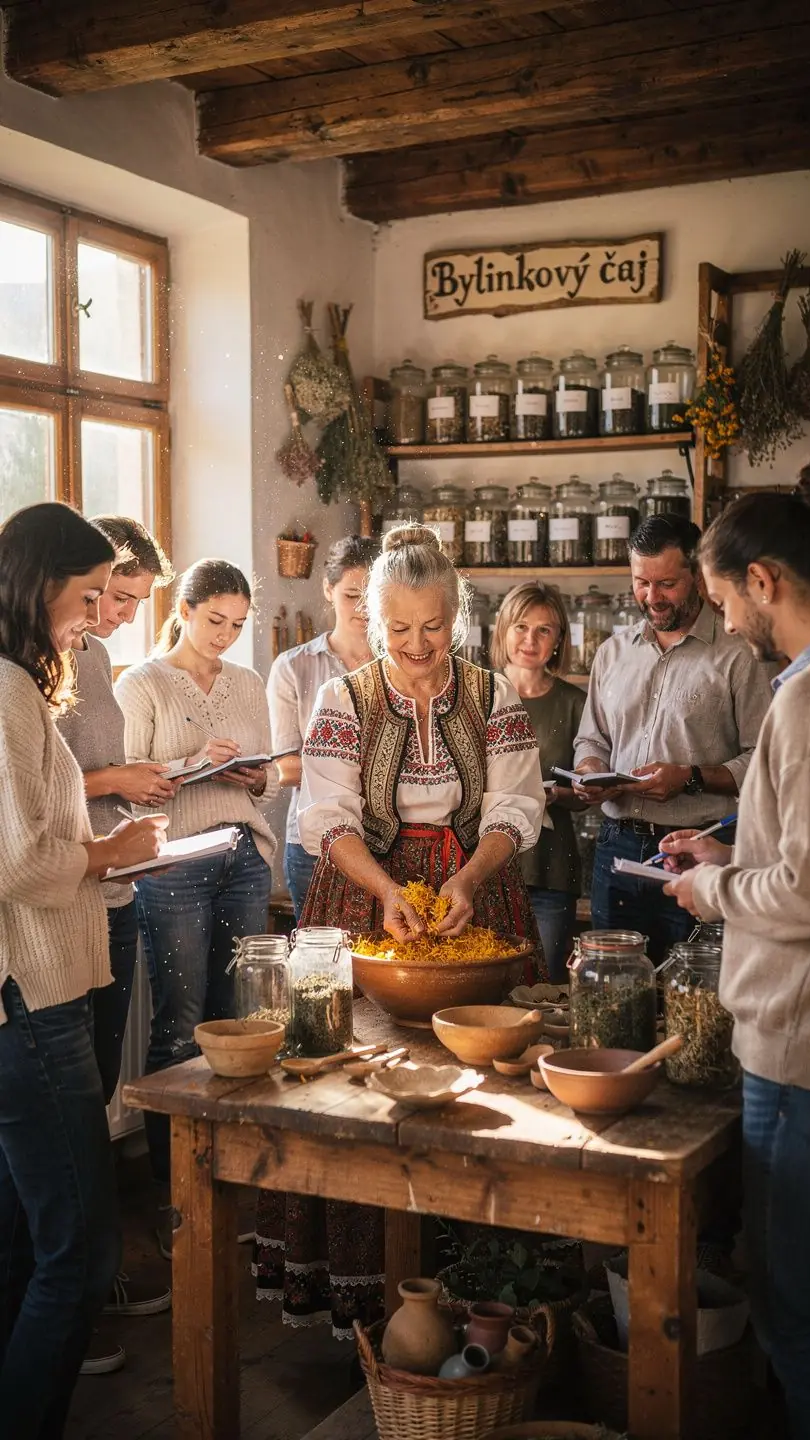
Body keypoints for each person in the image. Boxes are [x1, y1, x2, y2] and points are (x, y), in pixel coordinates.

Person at [254, 524, 548, 1335]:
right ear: (372, 621)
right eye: (398, 628)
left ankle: (485, 1283)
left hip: (474, 895)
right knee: (354, 1085)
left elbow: (514, 808)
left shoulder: (496, 696)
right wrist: (387, 889)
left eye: (433, 626)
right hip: (361, 900)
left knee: (481, 1082)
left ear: (456, 614)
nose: (417, 645)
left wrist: (463, 879)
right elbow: (328, 816)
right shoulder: (339, 699)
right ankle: (362, 1286)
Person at [0, 502, 166, 1440]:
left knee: (23, 1238)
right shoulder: (6, 691)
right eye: (89, 594)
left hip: (35, 991)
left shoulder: (20, 683)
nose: (95, 614)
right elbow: (20, 863)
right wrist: (111, 852)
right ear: (39, 583)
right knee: (80, 1250)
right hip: (34, 997)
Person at [660, 487, 810, 1440]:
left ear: (763, 582)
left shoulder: (800, 702)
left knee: (793, 1302)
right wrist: (729, 854)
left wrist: (713, 892)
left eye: (724, 601)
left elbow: (804, 894)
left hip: (797, 1045)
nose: (727, 620)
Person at [115, 559, 276, 1253]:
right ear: (183, 609)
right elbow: (130, 786)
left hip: (243, 854)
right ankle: (173, 1185)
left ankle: (234, 1172)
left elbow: (264, 779)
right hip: (175, 860)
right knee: (180, 1023)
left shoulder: (248, 682)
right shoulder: (141, 682)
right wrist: (192, 763)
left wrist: (254, 775)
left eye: (239, 625)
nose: (226, 637)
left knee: (238, 1017)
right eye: (216, 621)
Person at [57, 515, 176, 1374]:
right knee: (65, 1116)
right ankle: (69, 1299)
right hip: (68, 898)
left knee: (95, 1095)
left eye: (130, 600)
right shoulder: (37, 663)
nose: (120, 615)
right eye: (110, 597)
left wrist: (129, 805)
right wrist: (118, 783)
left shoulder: (95, 658)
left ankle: (88, 1284)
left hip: (115, 887)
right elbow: (43, 793)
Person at [572, 512, 773, 963]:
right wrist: (589, 771)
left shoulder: (740, 655)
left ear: (698, 575)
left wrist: (690, 778)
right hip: (617, 848)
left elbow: (763, 759)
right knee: (614, 986)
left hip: (702, 848)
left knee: (695, 990)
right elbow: (592, 739)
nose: (652, 597)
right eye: (641, 582)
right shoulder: (612, 653)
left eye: (666, 584)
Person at [268, 534, 378, 921]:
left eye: (373, 595)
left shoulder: (405, 664)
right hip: (314, 843)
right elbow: (285, 767)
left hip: (389, 840)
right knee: (321, 964)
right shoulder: (293, 667)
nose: (364, 608)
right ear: (328, 590)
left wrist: (335, 766)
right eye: (351, 595)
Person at [491, 581, 586, 982]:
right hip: (488, 870)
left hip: (552, 868)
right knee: (489, 987)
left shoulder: (575, 701)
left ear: (559, 639)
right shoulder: (481, 693)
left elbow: (589, 793)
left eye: (544, 630)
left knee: (544, 987)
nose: (530, 639)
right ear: (503, 630)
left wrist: (566, 793)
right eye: (521, 627)